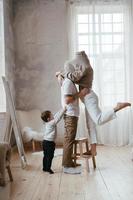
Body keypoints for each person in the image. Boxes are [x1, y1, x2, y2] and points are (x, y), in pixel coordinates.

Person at [57, 51, 131, 155]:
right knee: (90, 125)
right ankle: (93, 150)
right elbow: (68, 81)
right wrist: (60, 76)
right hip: (87, 98)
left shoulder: (85, 67)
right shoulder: (83, 67)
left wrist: (61, 73)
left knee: (98, 120)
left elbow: (73, 77)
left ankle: (116, 107)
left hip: (89, 97)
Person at [56, 73, 82, 174]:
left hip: (71, 114)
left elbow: (58, 78)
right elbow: (67, 100)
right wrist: (80, 93)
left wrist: (58, 75)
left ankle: (69, 162)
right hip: (70, 114)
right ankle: (66, 166)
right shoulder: (67, 82)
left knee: (69, 139)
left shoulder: (66, 82)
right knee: (69, 140)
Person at [41, 108, 66, 174]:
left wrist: (62, 109)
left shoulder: (47, 122)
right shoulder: (51, 123)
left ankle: (44, 168)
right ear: (48, 119)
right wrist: (64, 110)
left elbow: (56, 115)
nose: (53, 115)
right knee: (50, 156)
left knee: (45, 155)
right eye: (51, 115)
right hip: (49, 143)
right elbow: (58, 118)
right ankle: (48, 168)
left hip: (45, 142)